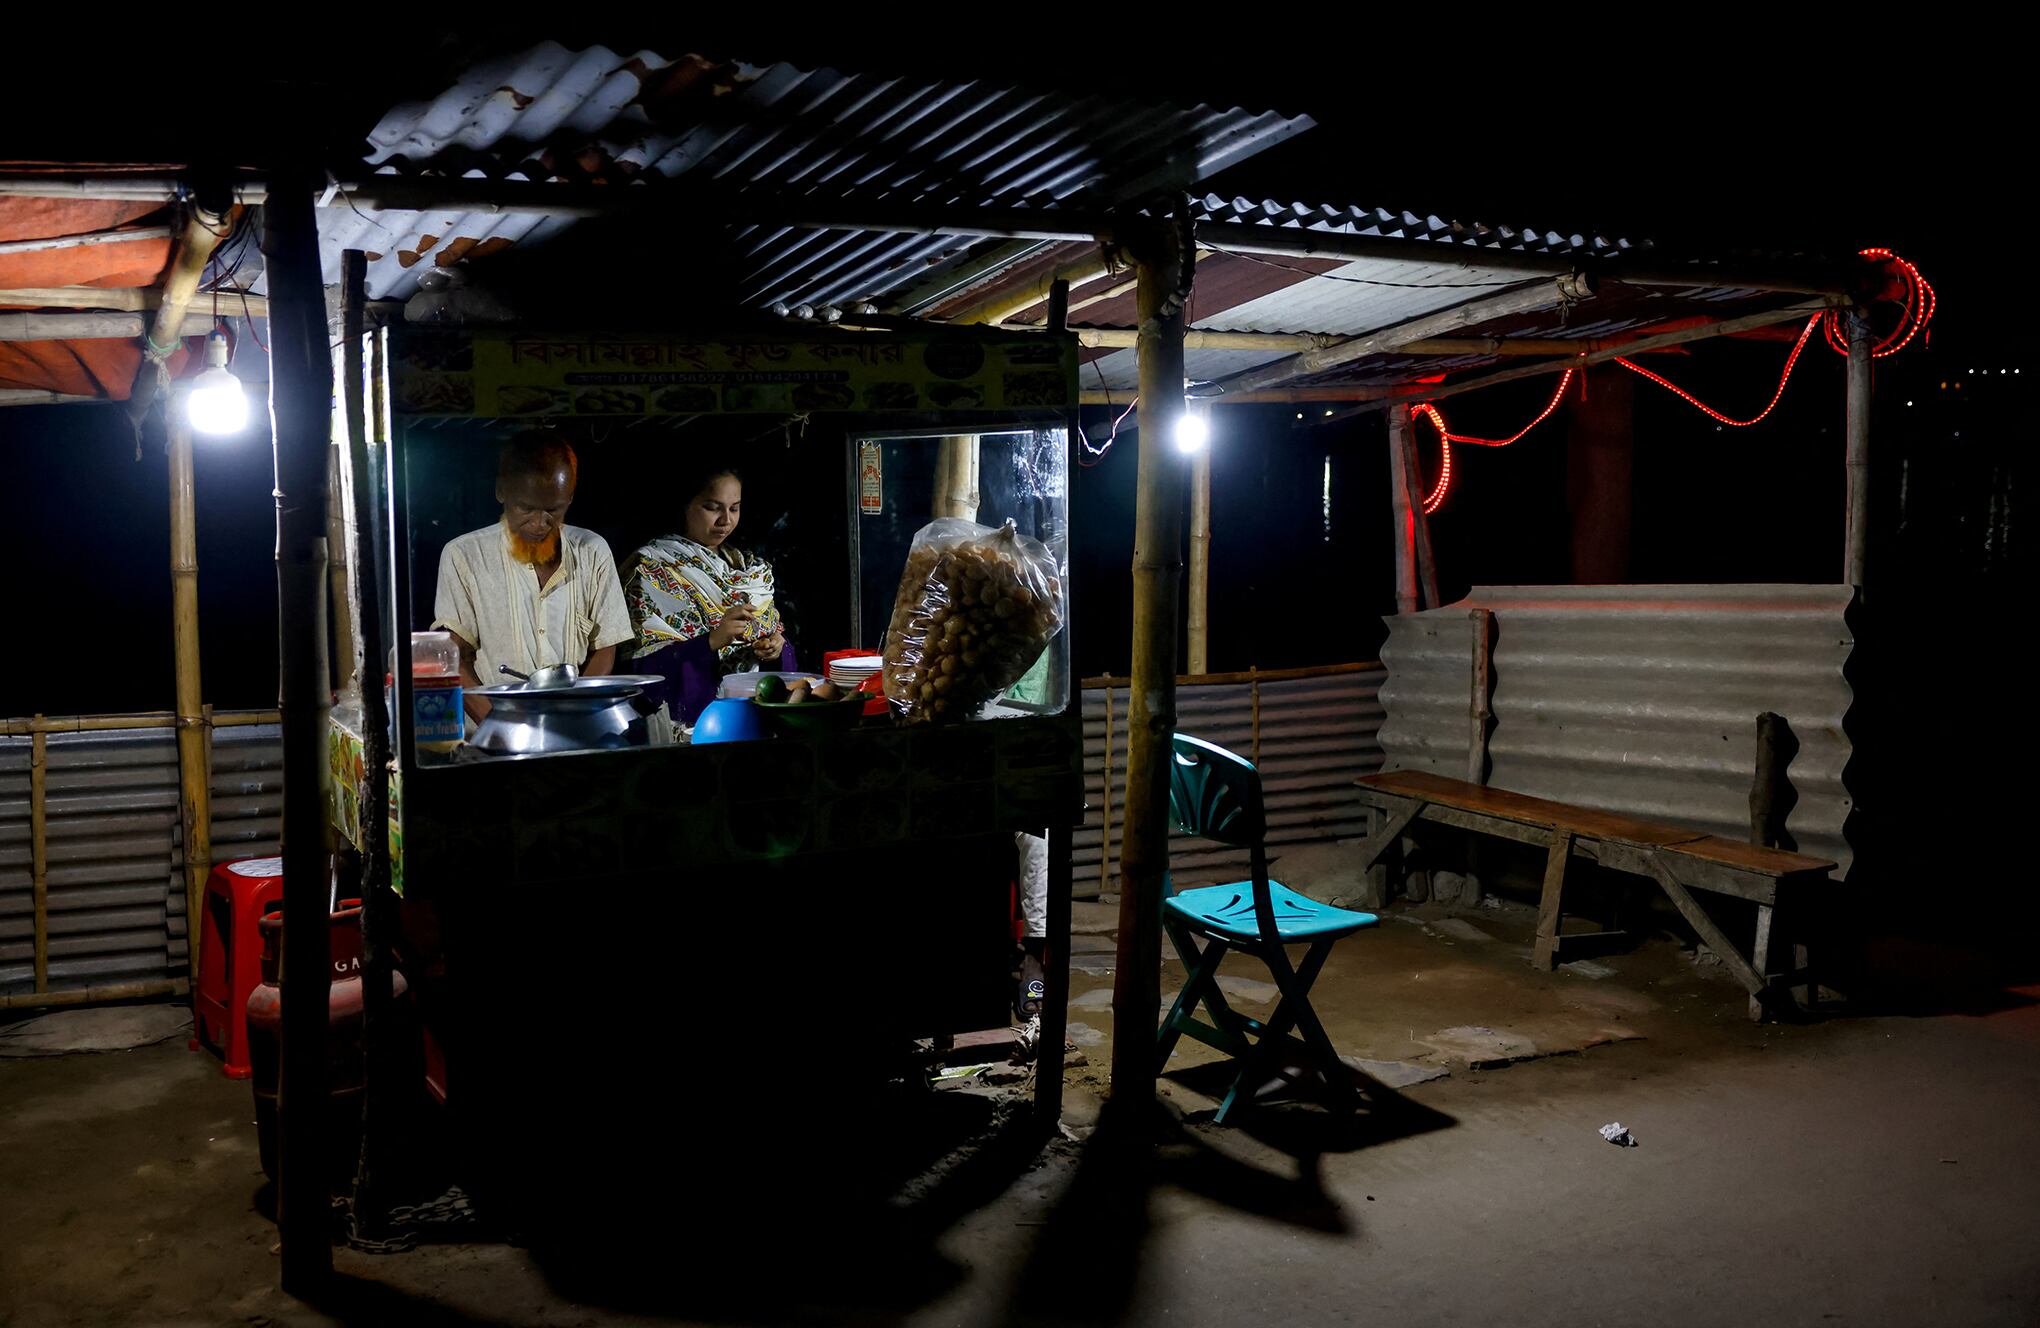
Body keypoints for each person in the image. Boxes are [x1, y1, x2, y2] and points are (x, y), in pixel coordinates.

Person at [433, 432, 632, 724]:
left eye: (554, 510)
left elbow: (605, 649)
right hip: (493, 735)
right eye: (525, 508)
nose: (540, 523)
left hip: (574, 728)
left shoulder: (593, 551)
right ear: (501, 491)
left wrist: (575, 716)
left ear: (571, 496)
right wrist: (501, 729)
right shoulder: (464, 555)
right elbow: (455, 659)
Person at [624, 465, 796, 732]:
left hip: (755, 720)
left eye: (734, 508)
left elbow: (777, 659)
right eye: (712, 507)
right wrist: (712, 640)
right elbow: (642, 671)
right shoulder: (651, 569)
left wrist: (775, 648)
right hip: (692, 729)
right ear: (686, 506)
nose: (725, 520)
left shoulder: (750, 571)